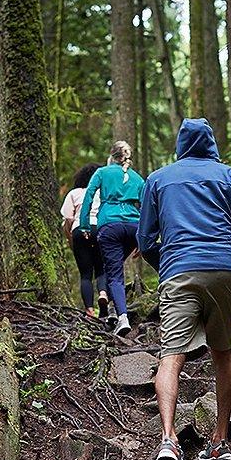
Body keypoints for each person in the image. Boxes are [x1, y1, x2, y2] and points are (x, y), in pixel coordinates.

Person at [137, 118, 231, 460]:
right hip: (225, 270)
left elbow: (145, 240)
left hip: (179, 270)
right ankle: (219, 441)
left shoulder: (158, 179)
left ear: (180, 145)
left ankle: (168, 439)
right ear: (211, 143)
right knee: (223, 353)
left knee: (171, 357)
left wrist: (165, 264)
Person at [79, 141, 145, 337]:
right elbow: (146, 207)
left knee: (114, 272)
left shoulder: (103, 172)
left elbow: (89, 196)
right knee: (112, 267)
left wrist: (84, 224)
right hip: (133, 226)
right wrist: (143, 236)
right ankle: (112, 310)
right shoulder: (138, 178)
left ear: (111, 156)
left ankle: (122, 317)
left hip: (110, 224)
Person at [61, 163, 109, 318]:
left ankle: (89, 310)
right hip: (100, 229)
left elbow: (68, 219)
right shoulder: (103, 193)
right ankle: (103, 294)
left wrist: (71, 239)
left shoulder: (74, 193)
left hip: (80, 230)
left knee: (86, 274)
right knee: (102, 269)